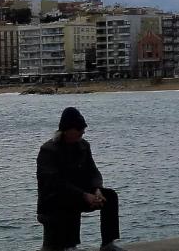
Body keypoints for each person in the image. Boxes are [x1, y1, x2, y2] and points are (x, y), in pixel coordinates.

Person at [37, 107, 125, 251]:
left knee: (110, 196)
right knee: (66, 202)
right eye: (78, 129)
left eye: (83, 129)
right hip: (54, 199)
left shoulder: (84, 146)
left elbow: (93, 172)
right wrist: (84, 195)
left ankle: (108, 244)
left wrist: (97, 189)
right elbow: (54, 182)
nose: (82, 132)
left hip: (80, 194)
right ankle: (70, 245)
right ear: (67, 130)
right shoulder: (49, 150)